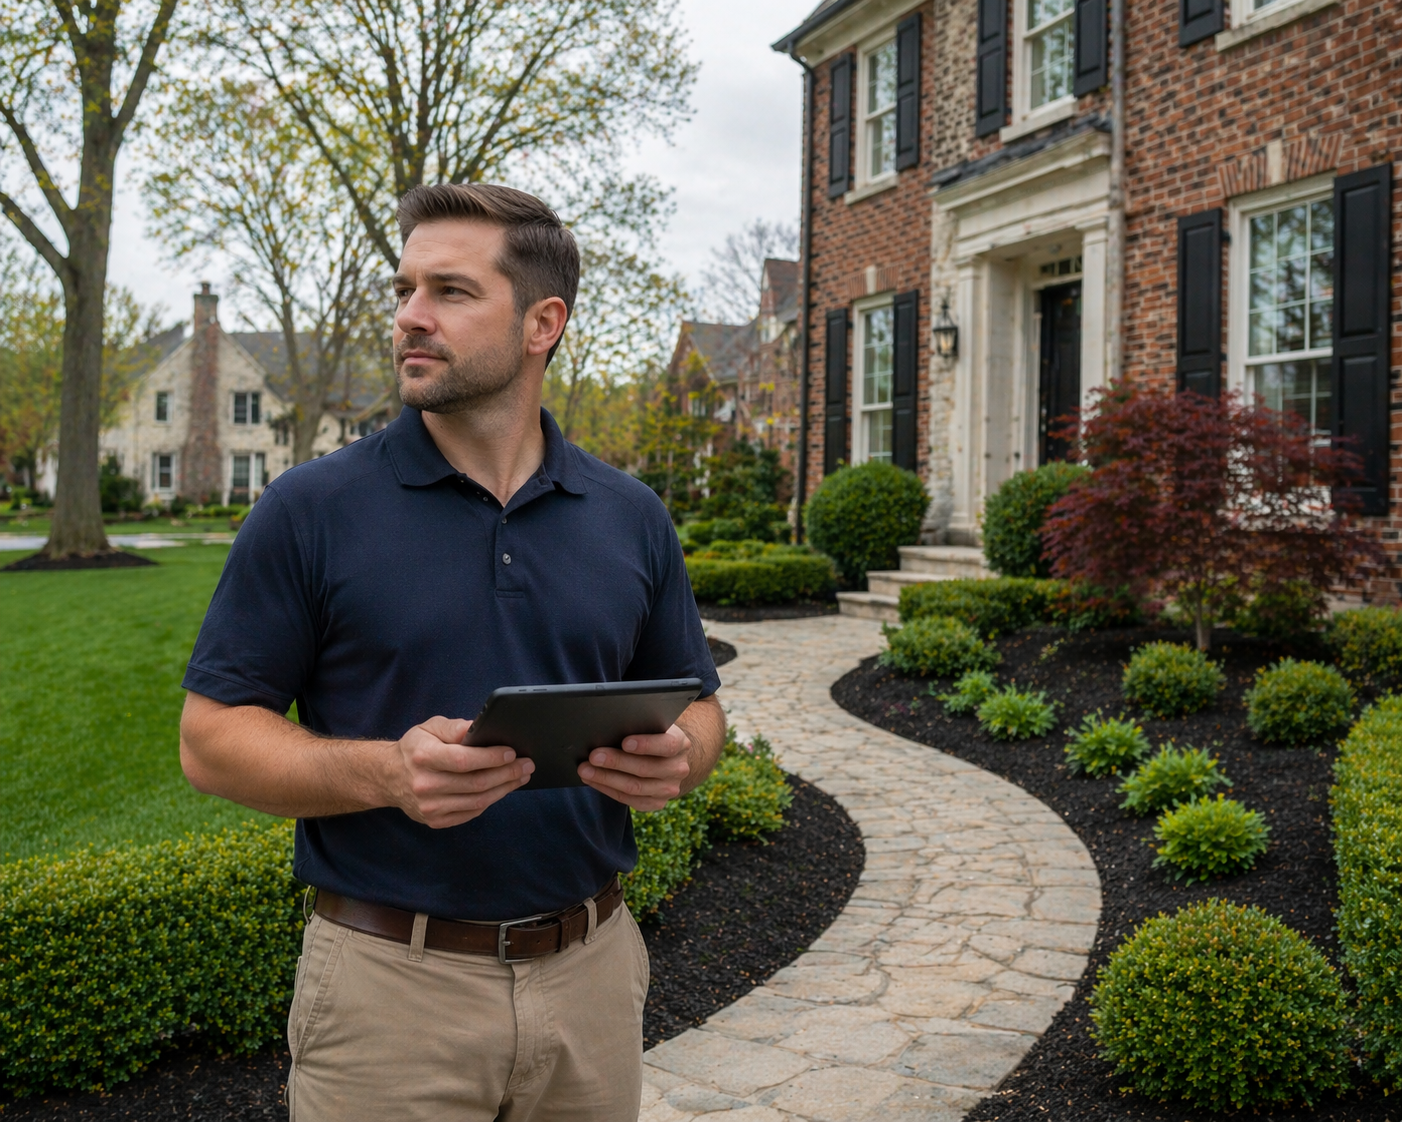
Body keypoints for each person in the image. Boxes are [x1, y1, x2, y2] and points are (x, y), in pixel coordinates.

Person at [178, 183, 726, 1122]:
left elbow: (702, 710)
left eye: (450, 292)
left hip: (594, 980)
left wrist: (683, 757)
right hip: (391, 996)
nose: (409, 318)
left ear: (541, 322)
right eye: (404, 290)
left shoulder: (631, 517)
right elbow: (210, 740)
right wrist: (388, 772)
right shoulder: (309, 510)